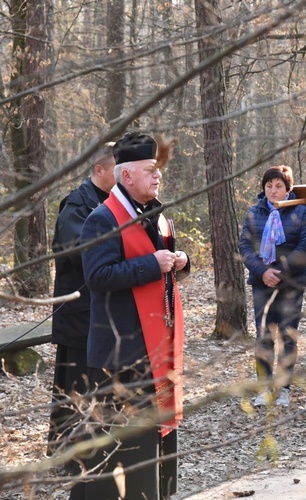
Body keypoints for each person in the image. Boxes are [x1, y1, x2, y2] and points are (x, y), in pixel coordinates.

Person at [75, 133, 190, 499]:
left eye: (158, 171)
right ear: (126, 176)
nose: (158, 177)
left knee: (152, 443)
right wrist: (150, 265)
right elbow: (97, 277)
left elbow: (163, 267)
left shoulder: (155, 211)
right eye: (150, 171)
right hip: (120, 355)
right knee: (115, 453)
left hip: (157, 347)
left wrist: (181, 263)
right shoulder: (102, 218)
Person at [48, 143, 116, 458]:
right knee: (72, 387)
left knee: (98, 387)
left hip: (103, 314)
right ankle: (66, 455)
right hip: (78, 313)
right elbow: (76, 250)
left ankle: (93, 449)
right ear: (99, 170)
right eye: (117, 168)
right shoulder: (77, 204)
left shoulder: (115, 202)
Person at [239, 166, 306, 408]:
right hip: (262, 283)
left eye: (278, 186)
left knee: (287, 337)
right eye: (269, 185)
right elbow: (245, 248)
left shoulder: (301, 211)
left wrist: (280, 272)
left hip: (291, 283)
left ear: (288, 188)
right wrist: (262, 271)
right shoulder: (254, 212)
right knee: (264, 337)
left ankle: (284, 389)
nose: (273, 190)